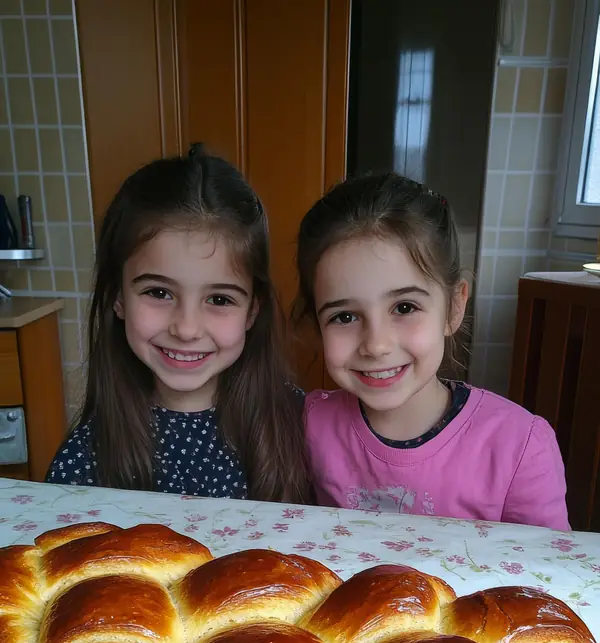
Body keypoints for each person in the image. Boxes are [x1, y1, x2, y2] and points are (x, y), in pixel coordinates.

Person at [295, 172, 569, 530]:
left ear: (455, 307)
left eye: (405, 308)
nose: (376, 345)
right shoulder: (310, 424)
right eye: (344, 316)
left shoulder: (521, 448)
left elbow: (546, 575)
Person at [46, 146, 310, 503]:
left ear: (252, 311)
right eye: (158, 292)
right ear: (117, 298)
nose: (186, 329)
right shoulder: (84, 459)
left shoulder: (307, 428)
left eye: (219, 299)